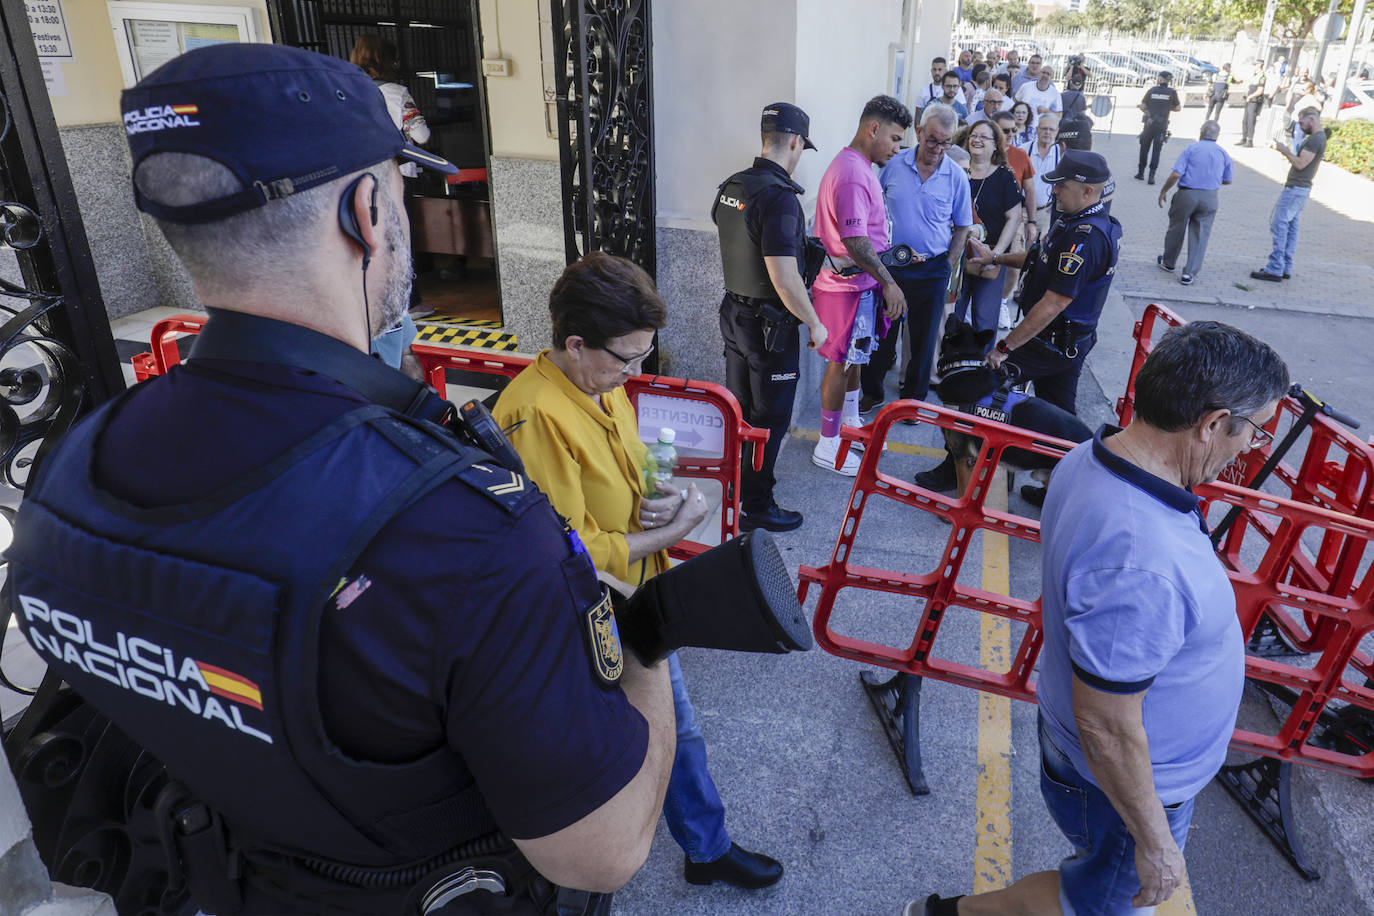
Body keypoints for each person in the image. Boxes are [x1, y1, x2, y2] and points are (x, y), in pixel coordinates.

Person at [9, 43, 677, 915]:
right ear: (369, 210)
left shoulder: (70, 471)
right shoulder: (463, 531)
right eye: (401, 187)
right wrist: (650, 652)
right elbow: (605, 850)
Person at [912, 321, 1290, 916]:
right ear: (1213, 424)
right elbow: (1107, 725)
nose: (1251, 449)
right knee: (1091, 905)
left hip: (1106, 768)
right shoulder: (1142, 558)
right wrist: (1156, 843)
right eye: (1255, 431)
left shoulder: (1097, 456)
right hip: (1128, 792)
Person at [492, 253, 785, 895]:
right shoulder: (537, 414)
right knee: (669, 726)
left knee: (666, 728)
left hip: (634, 590)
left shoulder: (599, 384)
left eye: (644, 356)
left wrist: (671, 500)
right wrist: (672, 533)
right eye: (626, 358)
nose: (636, 372)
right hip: (599, 605)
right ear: (574, 344)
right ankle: (674, 851)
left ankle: (688, 846)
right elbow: (568, 552)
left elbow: (626, 477)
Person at [711, 102, 827, 532]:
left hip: (734, 315)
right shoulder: (780, 199)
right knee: (771, 419)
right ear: (796, 142)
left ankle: (736, 488)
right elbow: (783, 277)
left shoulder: (733, 185)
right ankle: (757, 506)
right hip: (769, 329)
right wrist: (814, 322)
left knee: (741, 412)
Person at [810, 95, 911, 475]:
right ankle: (828, 444)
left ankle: (847, 425)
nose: (897, 148)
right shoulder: (852, 172)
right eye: (896, 138)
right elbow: (854, 241)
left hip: (858, 286)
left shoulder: (859, 165)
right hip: (845, 289)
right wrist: (889, 282)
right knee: (840, 364)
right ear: (874, 129)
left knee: (854, 360)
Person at [860, 104, 973, 414]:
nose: (938, 149)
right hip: (891, 266)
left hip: (932, 269)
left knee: (923, 344)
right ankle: (872, 391)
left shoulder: (956, 178)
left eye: (945, 142)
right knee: (883, 334)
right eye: (933, 140)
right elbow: (874, 210)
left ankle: (912, 402)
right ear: (920, 133)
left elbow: (963, 226)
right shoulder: (894, 166)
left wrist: (947, 265)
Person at [349, 34, 436, 319]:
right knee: (399, 239)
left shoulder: (344, 90)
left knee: (367, 237)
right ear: (387, 61)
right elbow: (422, 135)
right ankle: (408, 303)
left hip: (353, 176)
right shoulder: (397, 93)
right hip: (394, 175)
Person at [954, 121, 1023, 338]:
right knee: (952, 316)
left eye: (984, 137)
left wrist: (996, 254)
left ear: (996, 145)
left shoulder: (1004, 176)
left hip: (990, 255)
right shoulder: (955, 170)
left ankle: (982, 366)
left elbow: (1014, 217)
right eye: (974, 135)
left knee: (984, 319)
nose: (977, 140)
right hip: (956, 256)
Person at [1251, 106, 1326, 282]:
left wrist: (1284, 150)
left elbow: (1301, 164)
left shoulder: (1315, 140)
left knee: (1280, 225)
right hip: (1300, 189)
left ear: (1311, 119)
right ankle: (1284, 266)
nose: (1301, 126)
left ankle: (1276, 267)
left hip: (1296, 188)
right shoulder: (1317, 138)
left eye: (1302, 122)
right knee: (1291, 227)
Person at [1156, 120, 1234, 285]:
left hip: (1187, 194)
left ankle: (1169, 262)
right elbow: (1228, 180)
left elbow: (1176, 174)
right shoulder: (1223, 153)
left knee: (1176, 228)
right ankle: (1189, 273)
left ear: (1201, 132)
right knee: (1201, 234)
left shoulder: (1191, 149)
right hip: (1210, 197)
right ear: (1217, 136)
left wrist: (1164, 190)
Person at [1018, 111, 1062, 238]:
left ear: (1057, 132)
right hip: (1022, 211)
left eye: (1051, 129)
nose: (1047, 132)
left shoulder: (1060, 154)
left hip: (1045, 212)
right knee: (1018, 249)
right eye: (1044, 128)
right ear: (1037, 130)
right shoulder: (1024, 150)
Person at [1136, 71, 1180, 185]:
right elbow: (1178, 108)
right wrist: (1166, 107)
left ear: (1161, 79)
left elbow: (1144, 106)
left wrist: (1145, 108)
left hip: (1149, 125)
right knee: (1156, 151)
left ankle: (1140, 173)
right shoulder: (1172, 92)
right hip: (1162, 126)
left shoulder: (1152, 90)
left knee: (1144, 148)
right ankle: (1151, 176)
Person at [1014, 63, 1062, 129]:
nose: (1045, 75)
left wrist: (1046, 111)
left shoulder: (1055, 94)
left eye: (1048, 74)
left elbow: (1059, 117)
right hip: (1022, 127)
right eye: (1043, 72)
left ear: (1052, 78)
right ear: (1039, 73)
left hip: (1041, 130)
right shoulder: (1026, 86)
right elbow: (1014, 103)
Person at [1239, 59, 1267, 147]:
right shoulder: (1254, 75)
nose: (1253, 67)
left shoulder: (1262, 76)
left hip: (1254, 101)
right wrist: (1247, 94)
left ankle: (1249, 140)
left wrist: (1250, 96)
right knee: (1245, 120)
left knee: (1251, 120)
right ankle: (1244, 138)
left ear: (1260, 65)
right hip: (1249, 99)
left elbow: (1260, 90)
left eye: (1255, 65)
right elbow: (1250, 87)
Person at [914, 56, 950, 120]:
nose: (937, 73)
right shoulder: (923, 90)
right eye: (934, 69)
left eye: (940, 69)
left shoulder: (954, 89)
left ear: (946, 71)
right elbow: (918, 115)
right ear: (931, 71)